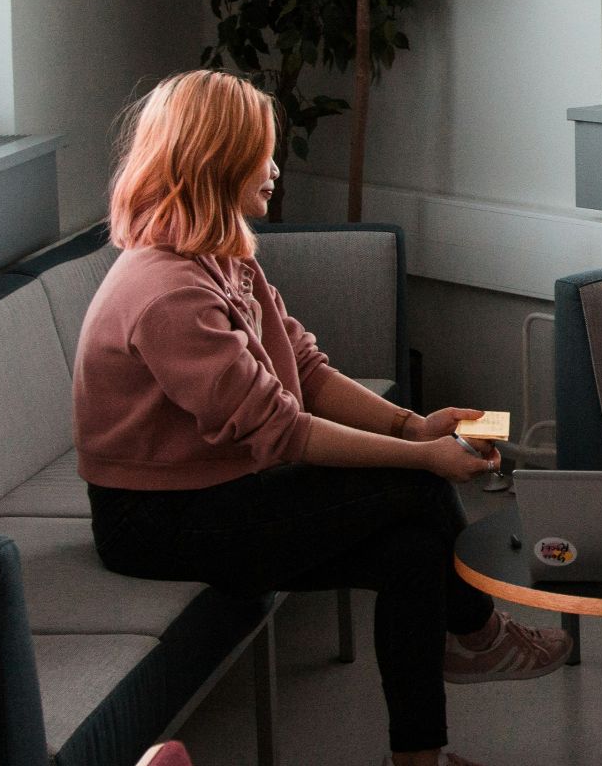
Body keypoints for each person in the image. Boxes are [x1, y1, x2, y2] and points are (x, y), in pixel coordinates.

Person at [73, 71, 570, 766]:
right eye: (262, 153)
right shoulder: (165, 291)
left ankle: (421, 754)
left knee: (411, 551)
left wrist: (409, 426)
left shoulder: (218, 257)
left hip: (209, 493)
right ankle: (478, 633)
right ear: (217, 160)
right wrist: (424, 459)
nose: (276, 168)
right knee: (419, 494)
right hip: (154, 521)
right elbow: (281, 431)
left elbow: (303, 367)